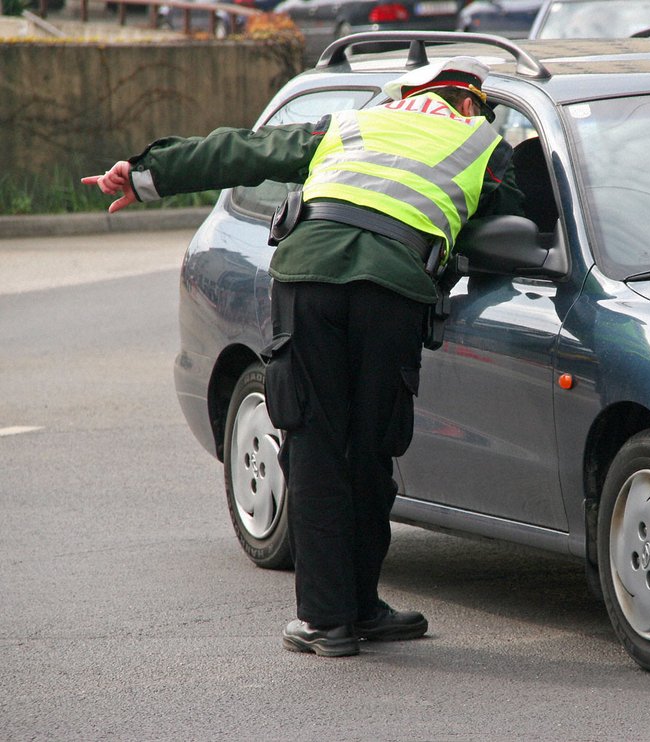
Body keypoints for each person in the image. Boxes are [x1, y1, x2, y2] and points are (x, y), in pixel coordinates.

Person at [83, 57, 525, 658]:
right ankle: (358, 608)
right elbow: (522, 218)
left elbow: (246, 150)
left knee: (315, 442)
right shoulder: (483, 143)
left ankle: (329, 621)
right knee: (371, 447)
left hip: (307, 279)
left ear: (407, 93)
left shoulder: (351, 123)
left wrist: (142, 176)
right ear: (470, 101)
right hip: (393, 290)